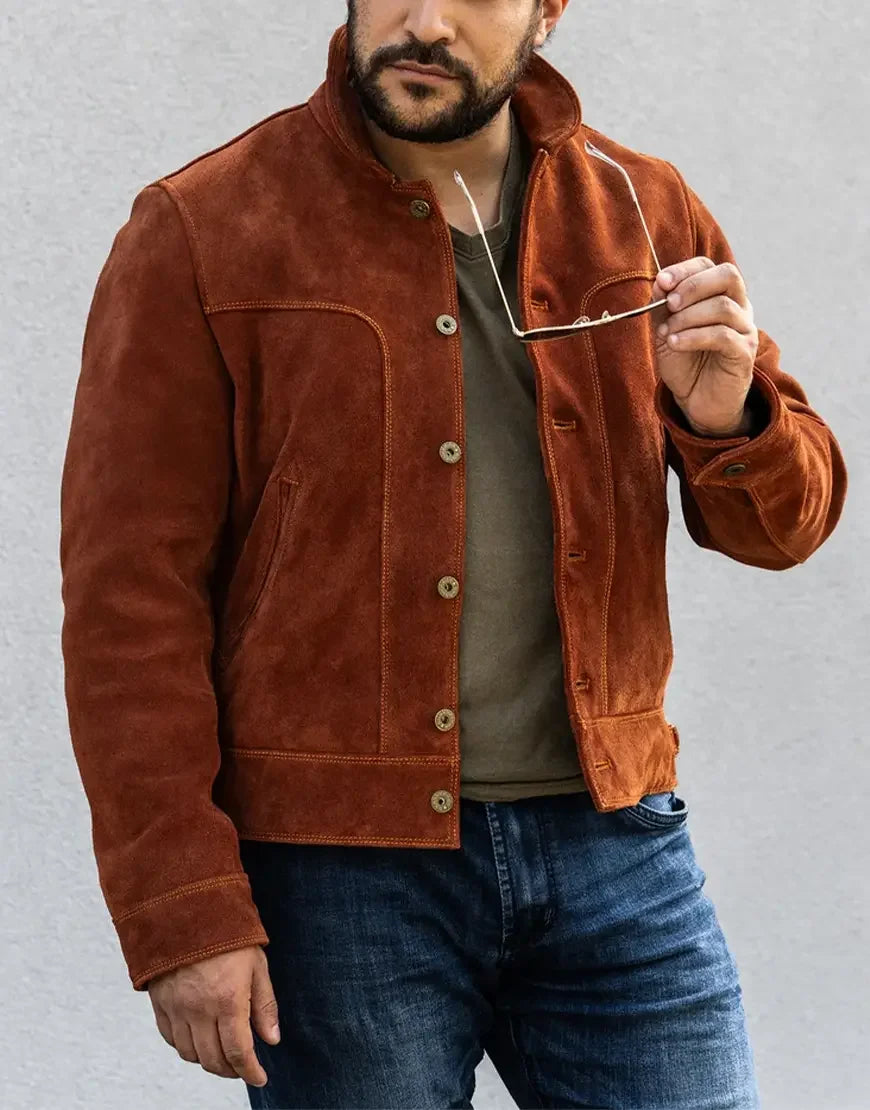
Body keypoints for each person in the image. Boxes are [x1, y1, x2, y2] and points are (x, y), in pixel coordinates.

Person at [59, 2, 848, 1107]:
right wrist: (182, 906)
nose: (423, 22)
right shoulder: (205, 225)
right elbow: (129, 601)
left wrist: (728, 421)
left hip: (617, 843)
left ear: (548, 11)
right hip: (336, 871)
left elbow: (787, 528)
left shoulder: (643, 210)